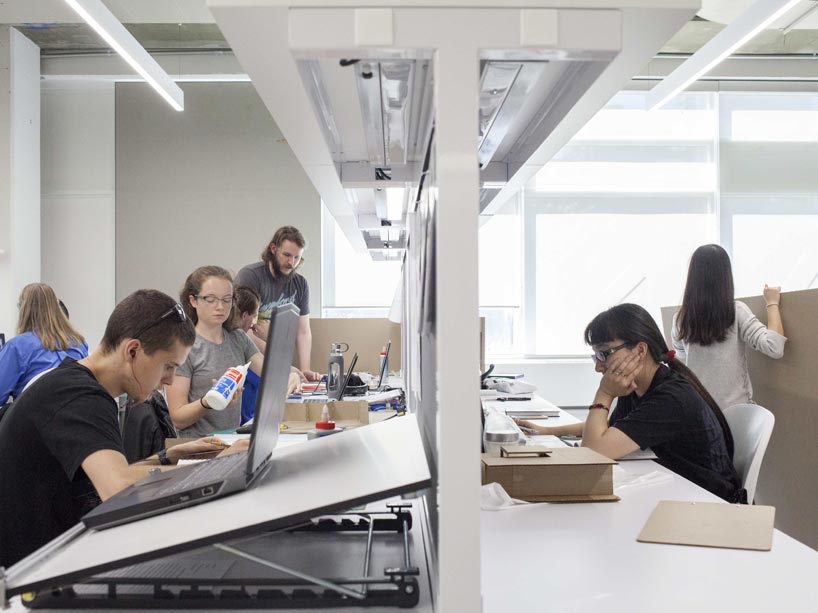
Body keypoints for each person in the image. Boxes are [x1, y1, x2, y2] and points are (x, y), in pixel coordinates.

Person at [0, 289, 242, 568]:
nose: (169, 380)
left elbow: (114, 477)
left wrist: (167, 459)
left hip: (55, 546)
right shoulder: (77, 397)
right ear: (133, 350)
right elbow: (119, 492)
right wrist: (217, 468)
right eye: (168, 366)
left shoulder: (79, 385)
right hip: (32, 568)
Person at [518, 303, 744, 503]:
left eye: (604, 354)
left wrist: (605, 392)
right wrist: (548, 431)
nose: (598, 366)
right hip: (678, 493)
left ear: (640, 350)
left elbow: (594, 450)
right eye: (595, 355)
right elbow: (609, 432)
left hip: (706, 505)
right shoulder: (637, 388)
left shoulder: (670, 398)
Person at [167, 266, 300, 438]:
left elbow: (270, 371)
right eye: (211, 299)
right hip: (199, 447)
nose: (220, 307)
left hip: (233, 441)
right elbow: (178, 418)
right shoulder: (185, 347)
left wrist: (290, 375)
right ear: (193, 300)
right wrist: (208, 402)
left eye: (226, 299)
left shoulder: (238, 338)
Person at [672, 244, 786, 410]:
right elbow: (775, 347)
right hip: (736, 414)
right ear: (726, 276)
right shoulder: (736, 311)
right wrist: (772, 302)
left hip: (699, 414)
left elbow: (681, 353)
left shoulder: (680, 319)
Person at [236, 226, 321, 381]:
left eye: (297, 257)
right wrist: (281, 364)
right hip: (248, 363)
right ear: (273, 248)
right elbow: (243, 331)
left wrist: (305, 369)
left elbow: (303, 331)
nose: (291, 262)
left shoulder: (300, 284)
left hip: (278, 361)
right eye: (287, 255)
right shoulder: (250, 276)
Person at [0, 283, 89, 405]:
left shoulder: (16, 347)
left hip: (32, 419)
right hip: (76, 416)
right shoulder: (79, 343)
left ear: (24, 310)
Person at [235, 285, 262, 424]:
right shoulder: (239, 344)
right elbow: (267, 374)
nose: (254, 323)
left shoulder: (243, 342)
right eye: (255, 316)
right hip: (244, 425)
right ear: (245, 315)